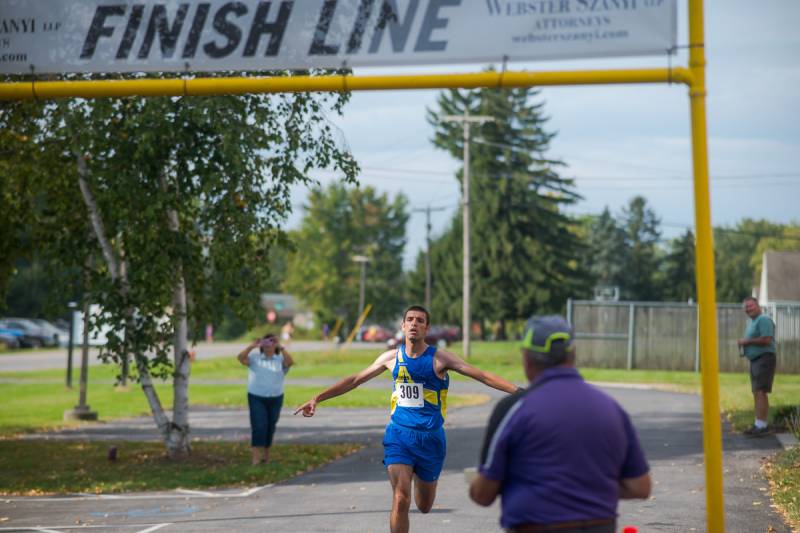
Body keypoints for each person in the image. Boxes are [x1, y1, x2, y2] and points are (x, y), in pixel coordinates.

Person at [294, 305, 520, 533]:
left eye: (420, 320)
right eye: (410, 319)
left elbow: (481, 375)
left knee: (423, 506)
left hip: (431, 439)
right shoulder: (391, 358)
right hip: (399, 435)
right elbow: (354, 379)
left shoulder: (440, 359)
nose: (414, 323)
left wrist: (520, 392)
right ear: (402, 326)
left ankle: (425, 480)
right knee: (401, 498)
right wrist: (318, 398)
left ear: (426, 327)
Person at [470, 315, 651, 533]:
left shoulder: (513, 409)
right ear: (572, 356)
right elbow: (640, 486)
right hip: (600, 526)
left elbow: (483, 495)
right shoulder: (611, 408)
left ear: (527, 359)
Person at [237, 333, 294, 465]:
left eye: (272, 342)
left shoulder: (280, 359)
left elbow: (290, 362)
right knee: (258, 425)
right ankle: (255, 458)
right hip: (257, 397)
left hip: (275, 397)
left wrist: (281, 347)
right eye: (267, 342)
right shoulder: (255, 358)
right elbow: (240, 358)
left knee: (270, 426)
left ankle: (267, 456)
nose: (269, 345)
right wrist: (251, 346)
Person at [737, 296, 777, 436]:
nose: (748, 309)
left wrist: (746, 342)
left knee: (761, 392)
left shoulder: (764, 319)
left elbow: (766, 339)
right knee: (757, 392)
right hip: (755, 360)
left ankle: (762, 426)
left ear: (758, 305)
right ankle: (758, 424)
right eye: (746, 307)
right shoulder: (751, 322)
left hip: (764, 359)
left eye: (751, 306)